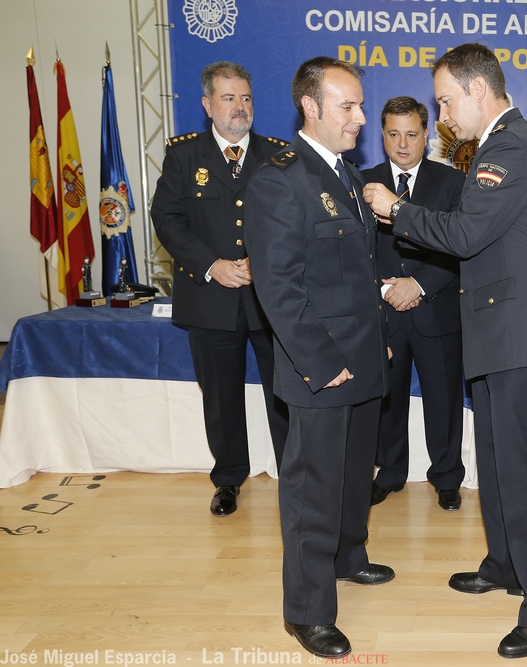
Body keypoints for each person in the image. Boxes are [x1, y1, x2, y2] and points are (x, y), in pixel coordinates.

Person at [364, 43, 527, 660]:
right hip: (498, 332)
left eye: (446, 101)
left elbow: (464, 235)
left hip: (520, 335)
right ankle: (507, 565)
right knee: (494, 458)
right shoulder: (494, 145)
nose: (445, 115)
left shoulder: (509, 146)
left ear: (477, 91)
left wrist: (396, 208)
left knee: (522, 468)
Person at [245, 57, 394, 659]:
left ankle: (348, 555)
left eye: (359, 106)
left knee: (355, 476)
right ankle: (307, 610)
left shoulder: (347, 177)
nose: (361, 118)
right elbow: (278, 287)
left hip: (362, 356)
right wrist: (321, 360)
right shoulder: (279, 179)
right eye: (348, 107)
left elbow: (355, 276)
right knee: (312, 488)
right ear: (311, 107)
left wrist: (375, 338)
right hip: (320, 365)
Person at [150, 61, 288, 517]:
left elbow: (293, 223)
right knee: (221, 398)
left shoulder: (279, 155)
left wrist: (263, 261)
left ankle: (296, 475)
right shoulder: (183, 156)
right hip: (209, 296)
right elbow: (167, 220)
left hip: (272, 300)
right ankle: (229, 479)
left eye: (246, 98)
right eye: (229, 98)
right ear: (208, 105)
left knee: (285, 393)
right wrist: (212, 264)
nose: (240, 107)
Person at [362, 97, 467, 512]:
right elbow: (353, 251)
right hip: (383, 311)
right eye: (393, 134)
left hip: (436, 309)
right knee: (387, 399)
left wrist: (418, 285)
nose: (402, 144)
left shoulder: (452, 183)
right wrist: (387, 290)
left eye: (411, 134)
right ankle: (389, 472)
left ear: (427, 136)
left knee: (444, 399)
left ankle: (446, 477)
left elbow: (460, 248)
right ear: (382, 135)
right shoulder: (362, 182)